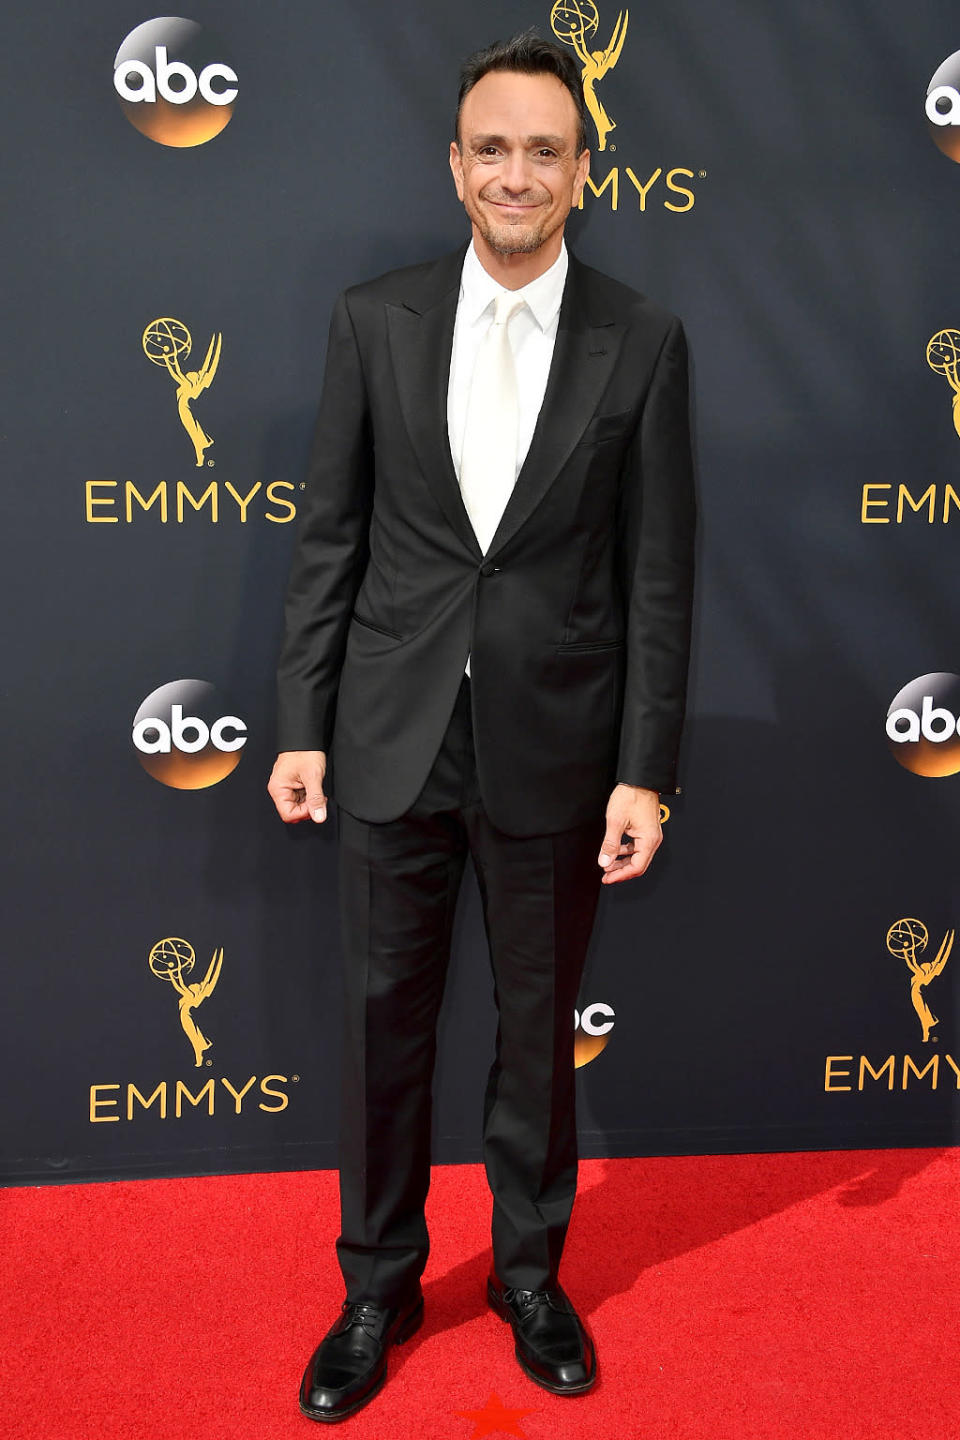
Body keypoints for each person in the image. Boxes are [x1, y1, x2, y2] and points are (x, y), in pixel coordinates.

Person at [268, 29, 696, 1423]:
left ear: (585, 168)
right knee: (383, 1024)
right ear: (456, 165)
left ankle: (527, 1276)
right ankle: (377, 1286)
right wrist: (300, 725)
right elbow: (329, 539)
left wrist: (646, 769)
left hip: (556, 747)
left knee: (532, 1031)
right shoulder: (374, 317)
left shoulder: (643, 338)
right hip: (393, 736)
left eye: (546, 150)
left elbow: (658, 575)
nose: (518, 172)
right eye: (494, 147)